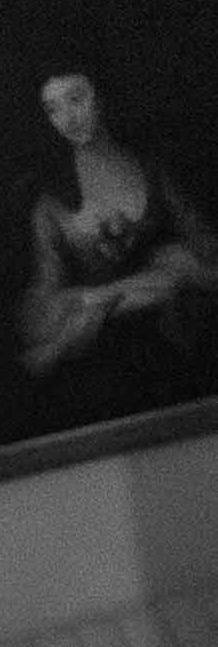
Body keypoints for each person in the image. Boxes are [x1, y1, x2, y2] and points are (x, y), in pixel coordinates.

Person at [16, 60, 218, 407]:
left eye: (77, 99)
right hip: (105, 368)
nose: (68, 118)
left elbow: (206, 248)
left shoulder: (152, 171)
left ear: (101, 95)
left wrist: (99, 298)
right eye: (54, 109)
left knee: (180, 270)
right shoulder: (50, 203)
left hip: (177, 349)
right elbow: (49, 297)